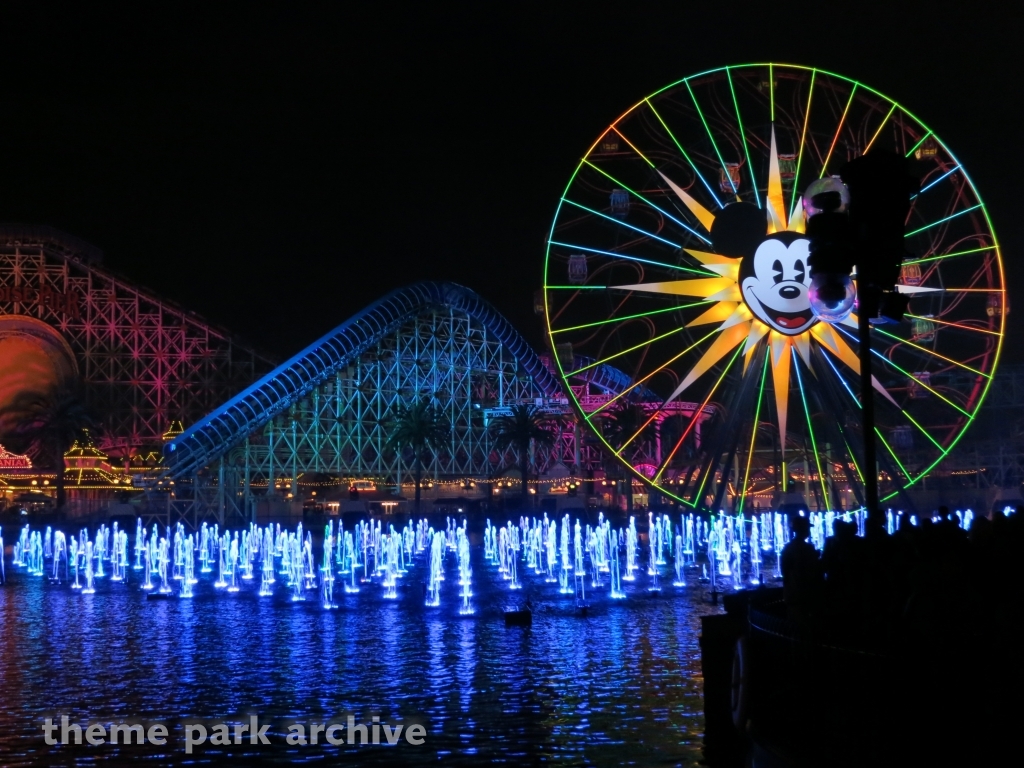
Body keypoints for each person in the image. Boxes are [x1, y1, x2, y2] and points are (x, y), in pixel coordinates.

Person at [780, 513, 822, 623]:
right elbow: (813, 570)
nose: (809, 531)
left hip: (792, 594)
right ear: (803, 530)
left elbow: (784, 571)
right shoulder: (807, 548)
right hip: (803, 594)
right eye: (807, 528)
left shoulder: (788, 547)